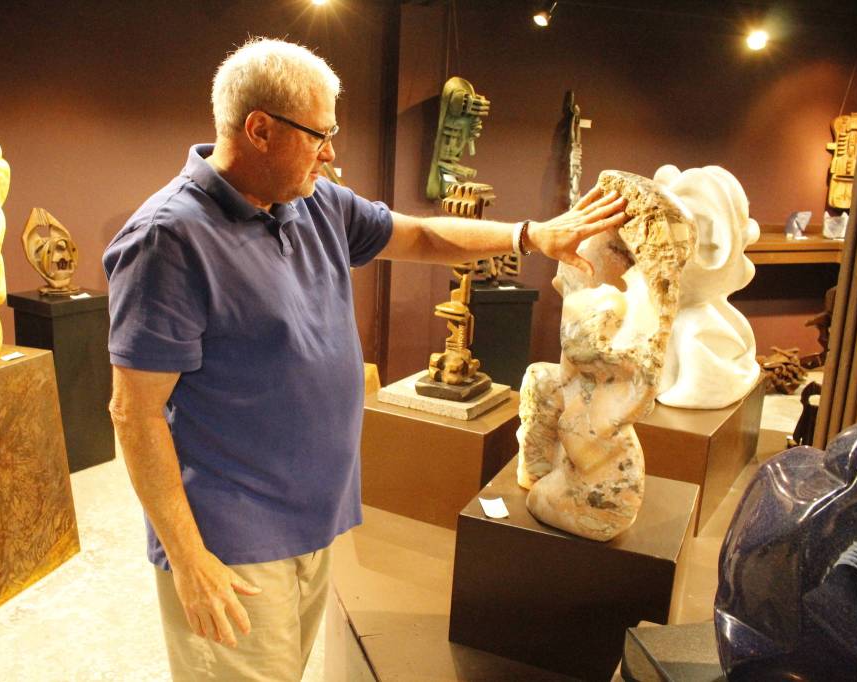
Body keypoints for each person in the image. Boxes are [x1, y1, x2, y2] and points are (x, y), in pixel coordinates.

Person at [104, 37, 627, 682]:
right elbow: (135, 414)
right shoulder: (168, 239)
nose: (332, 153)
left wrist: (529, 235)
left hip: (311, 514)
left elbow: (420, 233)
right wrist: (188, 560)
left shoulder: (312, 200)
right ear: (259, 129)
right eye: (319, 135)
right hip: (230, 537)